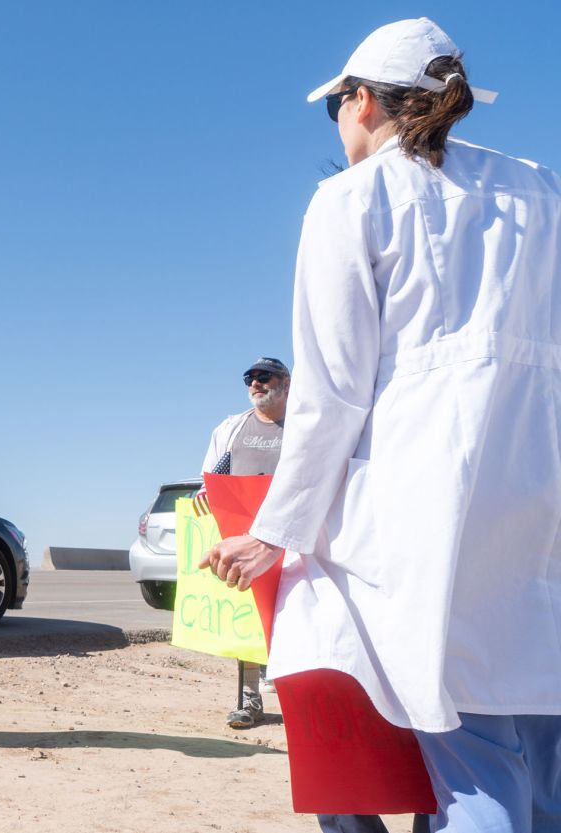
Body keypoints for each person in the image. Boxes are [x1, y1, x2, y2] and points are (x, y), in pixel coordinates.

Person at [203, 18, 559, 833]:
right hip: (542, 506)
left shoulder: (351, 198)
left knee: (470, 763)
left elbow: (330, 391)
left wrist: (274, 529)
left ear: (360, 100)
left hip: (427, 509)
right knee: (540, 741)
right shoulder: (542, 187)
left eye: (335, 105)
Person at [200, 357, 288, 730]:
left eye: (263, 377)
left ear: (286, 383)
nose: (255, 383)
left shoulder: (305, 426)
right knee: (248, 620)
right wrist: (204, 492)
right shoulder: (233, 429)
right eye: (249, 378)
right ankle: (249, 701)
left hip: (290, 540)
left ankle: (298, 702)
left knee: (292, 618)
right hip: (244, 536)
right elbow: (212, 475)